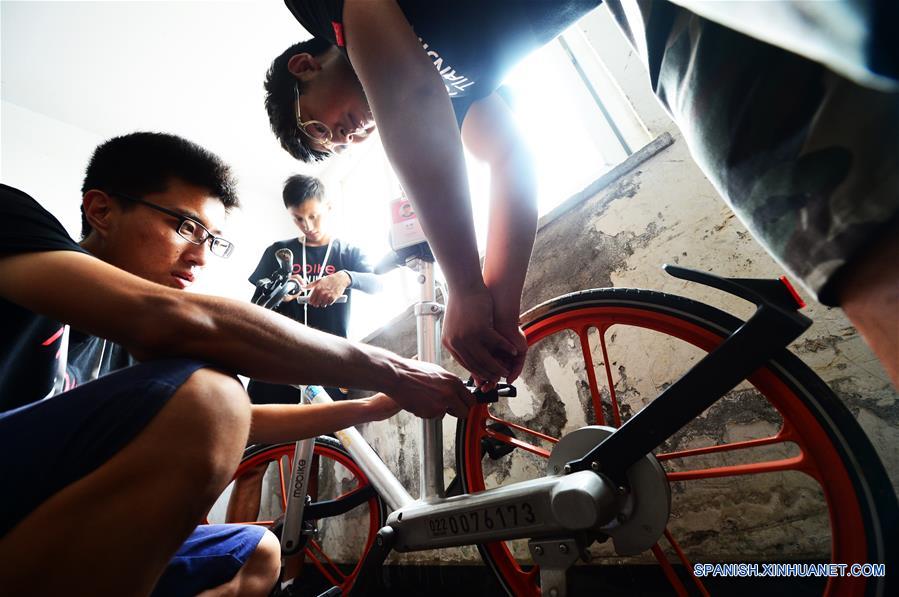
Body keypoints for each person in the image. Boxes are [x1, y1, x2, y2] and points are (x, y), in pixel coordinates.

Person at [263, 0, 899, 388]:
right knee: (832, 203)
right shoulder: (448, 79)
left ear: (305, 67)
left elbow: (407, 95)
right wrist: (498, 306)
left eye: (321, 127)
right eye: (333, 148)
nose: (343, 138)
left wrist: (461, 288)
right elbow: (510, 156)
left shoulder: (325, 9)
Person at [0, 131, 474, 596]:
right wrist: (390, 368)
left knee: (258, 552)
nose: (201, 257)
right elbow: (173, 324)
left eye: (213, 239)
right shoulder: (15, 222)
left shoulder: (132, 347)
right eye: (185, 227)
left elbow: (243, 420)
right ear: (101, 210)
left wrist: (368, 407)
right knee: (212, 395)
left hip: (56, 519)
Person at [247, 173, 382, 404]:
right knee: (267, 438)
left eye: (313, 216)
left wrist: (345, 277)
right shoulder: (279, 252)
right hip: (276, 364)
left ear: (328, 207)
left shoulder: (348, 253)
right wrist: (281, 293)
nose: (307, 226)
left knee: (327, 439)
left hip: (328, 364)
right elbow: (255, 307)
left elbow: (377, 284)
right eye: (298, 219)